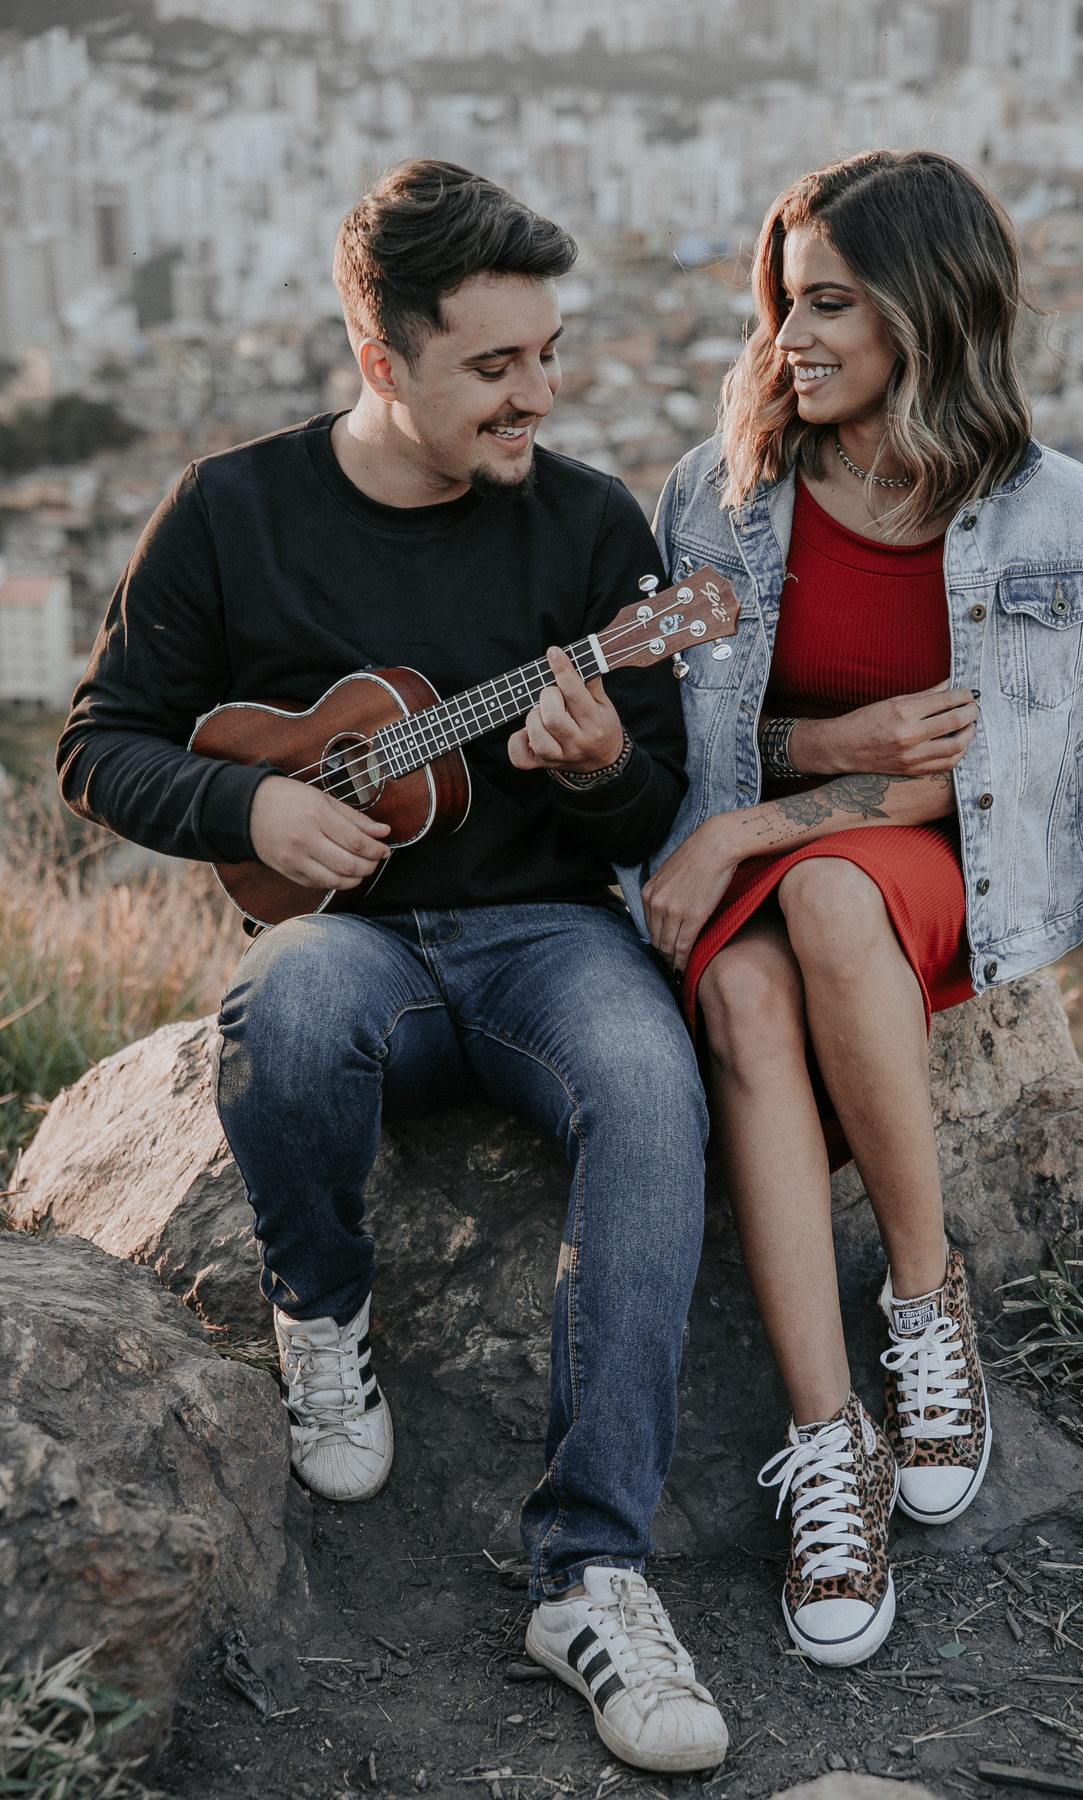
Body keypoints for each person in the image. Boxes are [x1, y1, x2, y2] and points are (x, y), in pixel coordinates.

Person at [57, 159, 729, 1774]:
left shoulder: (588, 525)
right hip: (348, 944)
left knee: (652, 1088)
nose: (537, 395)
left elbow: (658, 796)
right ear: (380, 360)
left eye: (547, 355)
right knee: (280, 1014)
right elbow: (100, 745)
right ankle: (324, 1312)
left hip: (546, 935)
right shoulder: (232, 509)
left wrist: (590, 776)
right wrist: (255, 804)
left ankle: (592, 1574)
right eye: (494, 366)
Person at [624, 149, 1083, 1669]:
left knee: (819, 897)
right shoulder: (724, 494)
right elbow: (707, 737)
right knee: (744, 990)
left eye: (829, 306)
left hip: (929, 872)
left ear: (925, 313)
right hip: (788, 876)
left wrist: (752, 816)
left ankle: (928, 1305)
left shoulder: (1053, 517)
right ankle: (833, 1446)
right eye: (780, 303)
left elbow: (1006, 780)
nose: (787, 338)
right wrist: (814, 756)